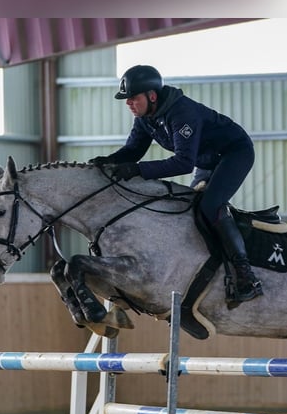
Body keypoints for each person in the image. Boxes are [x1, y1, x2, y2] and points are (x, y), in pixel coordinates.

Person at [89, 65, 263, 306]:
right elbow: (134, 150)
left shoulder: (182, 113)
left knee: (210, 206)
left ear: (152, 95)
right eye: (127, 99)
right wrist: (108, 162)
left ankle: (246, 277)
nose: (129, 103)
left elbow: (183, 163)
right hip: (208, 159)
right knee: (190, 207)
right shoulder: (145, 118)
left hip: (234, 153)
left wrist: (137, 170)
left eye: (134, 98)